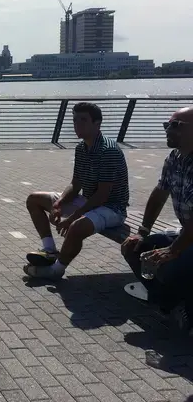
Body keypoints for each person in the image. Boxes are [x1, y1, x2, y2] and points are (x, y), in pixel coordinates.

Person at [23, 102, 129, 280]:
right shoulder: (81, 148)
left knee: (76, 227)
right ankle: (49, 249)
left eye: (83, 120)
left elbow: (103, 196)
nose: (77, 124)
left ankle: (56, 270)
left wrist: (73, 217)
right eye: (75, 120)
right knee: (34, 199)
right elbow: (75, 184)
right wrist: (59, 204)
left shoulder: (108, 150)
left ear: (97, 123)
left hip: (112, 208)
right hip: (89, 201)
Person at [121, 107, 193, 331]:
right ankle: (169, 304)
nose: (168, 130)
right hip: (187, 235)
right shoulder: (174, 158)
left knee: (167, 265)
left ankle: (186, 311)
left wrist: (173, 250)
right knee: (136, 248)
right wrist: (143, 230)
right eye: (167, 125)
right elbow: (160, 193)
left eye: (176, 125)